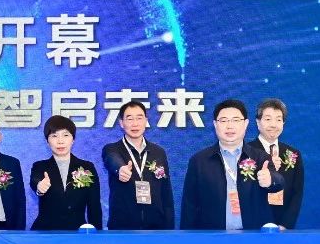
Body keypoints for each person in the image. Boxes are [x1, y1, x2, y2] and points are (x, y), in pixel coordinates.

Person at [180, 98, 282, 231]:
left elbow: (279, 182)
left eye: (235, 120)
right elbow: (189, 206)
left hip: (252, 235)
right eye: (223, 121)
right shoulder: (199, 161)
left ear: (245, 124)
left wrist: (270, 180)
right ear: (215, 124)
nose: (229, 126)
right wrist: (188, 238)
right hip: (213, 236)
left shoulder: (260, 157)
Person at [101, 100, 174, 230]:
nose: (135, 124)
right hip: (122, 228)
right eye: (130, 119)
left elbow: (166, 192)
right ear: (121, 123)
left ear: (146, 121)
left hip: (156, 228)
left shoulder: (158, 152)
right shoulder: (112, 149)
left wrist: (169, 227)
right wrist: (120, 169)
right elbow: (112, 159)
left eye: (139, 118)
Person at [29, 115, 102, 231]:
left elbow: (94, 206)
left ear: (73, 139)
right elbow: (35, 180)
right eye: (54, 136)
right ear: (47, 141)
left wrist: (97, 234)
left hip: (77, 231)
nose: (60, 141)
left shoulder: (87, 167)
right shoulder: (39, 166)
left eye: (65, 135)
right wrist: (39, 187)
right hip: (45, 231)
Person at [245, 98, 304, 229]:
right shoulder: (245, 152)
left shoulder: (293, 153)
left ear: (283, 123)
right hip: (253, 225)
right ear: (258, 122)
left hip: (283, 225)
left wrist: (286, 224)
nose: (273, 125)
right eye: (268, 119)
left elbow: (297, 192)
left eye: (278, 120)